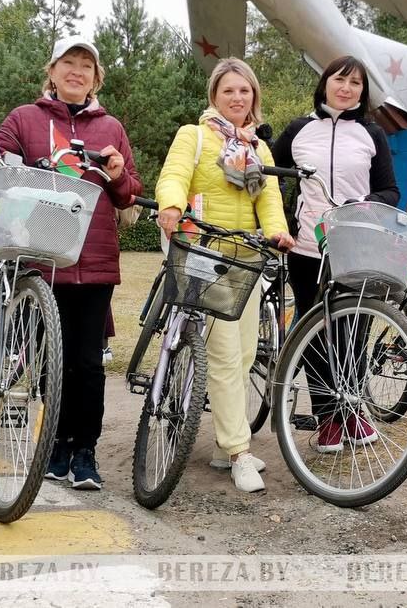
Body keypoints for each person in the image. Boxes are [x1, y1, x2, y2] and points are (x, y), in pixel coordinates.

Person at [0, 38, 142, 491]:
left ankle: (85, 451)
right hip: (42, 258)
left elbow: (128, 194)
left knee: (87, 363)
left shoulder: (111, 127)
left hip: (95, 259)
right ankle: (57, 445)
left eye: (86, 65)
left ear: (96, 78)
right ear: (52, 71)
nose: (77, 71)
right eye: (69, 63)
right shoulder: (25, 119)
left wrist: (121, 173)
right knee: (50, 360)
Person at [154, 58, 294, 493]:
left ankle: (221, 441)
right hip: (204, 253)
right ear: (214, 95)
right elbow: (174, 174)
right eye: (229, 90)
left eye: (245, 91)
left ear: (254, 97)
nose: (237, 98)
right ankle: (238, 451)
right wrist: (171, 206)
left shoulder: (258, 148)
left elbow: (268, 197)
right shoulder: (194, 136)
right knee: (225, 356)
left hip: (247, 257)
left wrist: (277, 231)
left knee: (248, 353)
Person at [272, 55, 399, 453]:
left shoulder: (371, 134)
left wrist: (362, 202)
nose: (346, 88)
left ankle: (354, 411)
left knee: (353, 331)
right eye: (340, 80)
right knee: (313, 335)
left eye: (356, 83)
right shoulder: (298, 130)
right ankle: (329, 418)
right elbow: (270, 178)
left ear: (364, 92)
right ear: (325, 83)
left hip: (356, 247)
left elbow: (391, 191)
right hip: (307, 248)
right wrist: (279, 222)